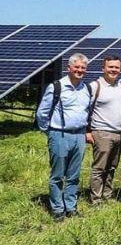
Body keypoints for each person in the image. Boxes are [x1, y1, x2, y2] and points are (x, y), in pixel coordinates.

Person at [36, 53, 93, 221]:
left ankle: (71, 207)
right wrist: (50, 131)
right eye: (76, 67)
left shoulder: (86, 89)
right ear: (69, 68)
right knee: (58, 175)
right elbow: (42, 113)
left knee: (74, 175)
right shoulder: (56, 87)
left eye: (83, 67)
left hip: (79, 136)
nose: (80, 70)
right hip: (59, 134)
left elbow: (87, 112)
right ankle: (57, 209)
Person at [87, 55, 121, 205]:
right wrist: (87, 131)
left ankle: (107, 195)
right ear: (103, 68)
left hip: (118, 133)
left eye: (116, 67)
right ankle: (95, 200)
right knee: (99, 168)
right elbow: (85, 109)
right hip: (101, 132)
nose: (113, 70)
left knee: (112, 167)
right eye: (110, 67)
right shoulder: (95, 86)